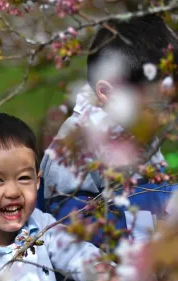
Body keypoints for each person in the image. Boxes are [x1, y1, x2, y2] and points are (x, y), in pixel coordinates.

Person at [40, 14, 178, 245]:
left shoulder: (138, 132)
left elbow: (158, 192)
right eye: (157, 107)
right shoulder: (77, 144)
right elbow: (70, 225)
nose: (166, 117)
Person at [0, 113, 118, 281]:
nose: (13, 192)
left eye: (24, 178)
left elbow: (75, 252)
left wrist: (99, 270)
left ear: (37, 181)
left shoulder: (40, 225)